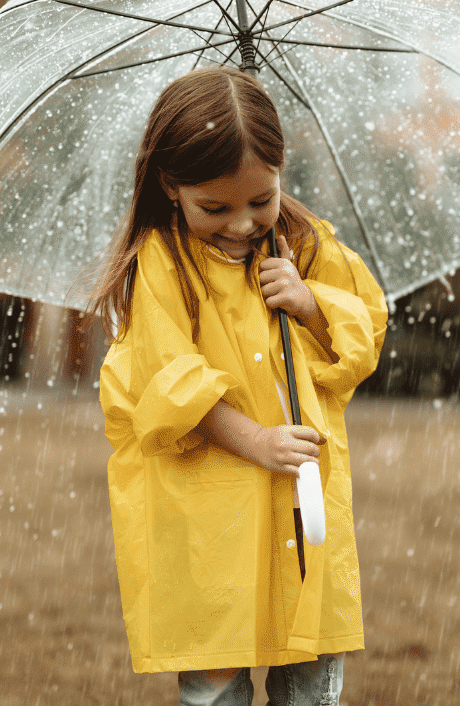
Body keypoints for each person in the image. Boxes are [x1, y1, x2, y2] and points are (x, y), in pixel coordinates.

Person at [88, 67, 387, 706]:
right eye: (215, 208)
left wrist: (310, 306)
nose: (243, 224)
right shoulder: (160, 266)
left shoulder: (303, 244)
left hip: (301, 504)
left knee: (308, 673)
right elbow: (168, 390)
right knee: (217, 681)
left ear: (280, 173)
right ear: (171, 187)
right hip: (210, 522)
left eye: (261, 200)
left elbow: (362, 337)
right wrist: (256, 441)